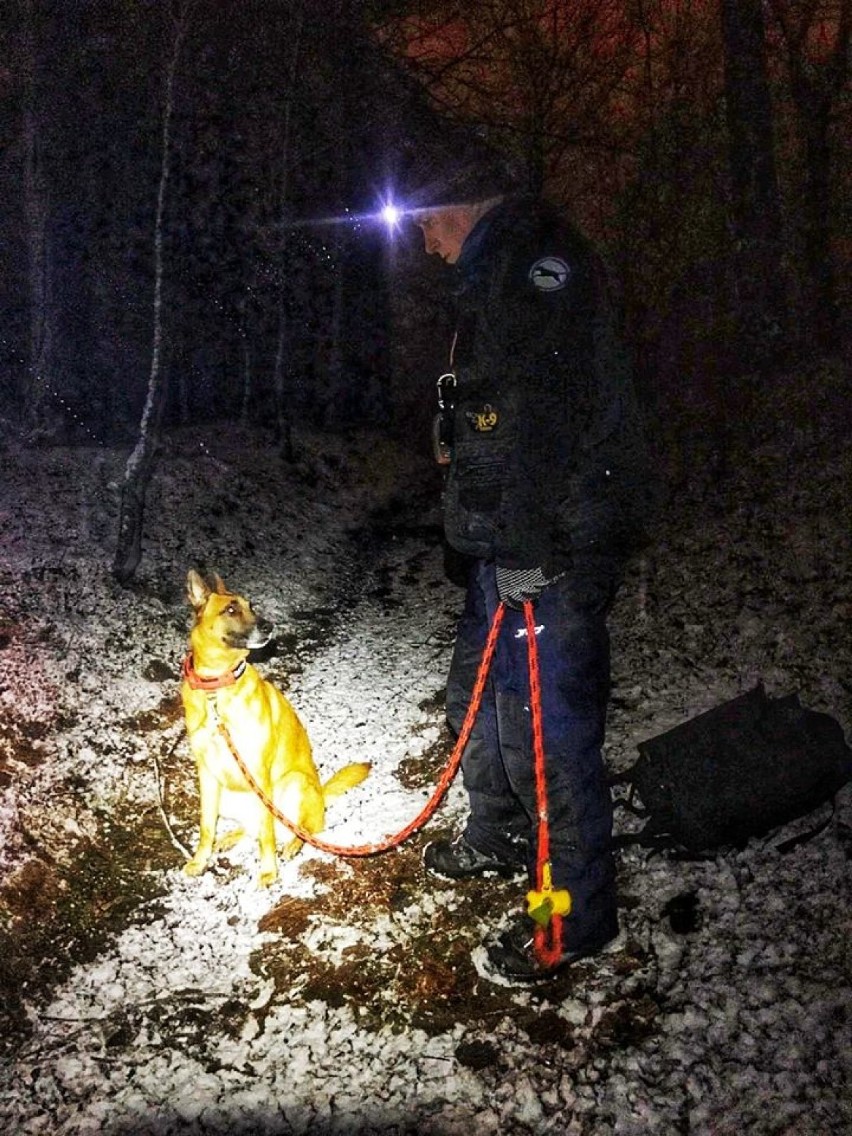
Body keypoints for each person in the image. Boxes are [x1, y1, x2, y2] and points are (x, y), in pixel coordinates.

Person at [410, 157, 652, 982]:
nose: (422, 241)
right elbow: (494, 411)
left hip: (553, 542)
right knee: (475, 699)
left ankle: (577, 918)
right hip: (503, 541)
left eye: (425, 220)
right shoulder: (492, 273)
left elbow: (550, 410)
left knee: (548, 728)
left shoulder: (540, 264)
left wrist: (529, 545)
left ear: (463, 202)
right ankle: (498, 832)